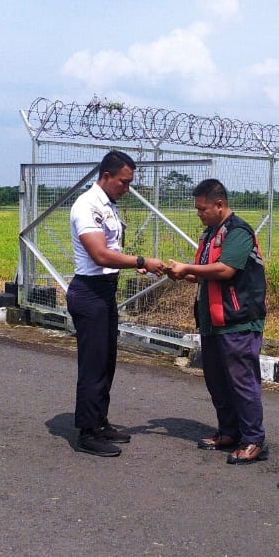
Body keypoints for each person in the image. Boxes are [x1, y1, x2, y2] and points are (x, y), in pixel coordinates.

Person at [67, 150, 165, 457]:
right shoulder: (86, 206)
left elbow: (111, 251)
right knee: (93, 365)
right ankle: (86, 432)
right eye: (123, 182)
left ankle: (99, 422)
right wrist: (140, 260)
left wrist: (129, 263)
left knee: (107, 360)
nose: (127, 188)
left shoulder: (107, 205)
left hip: (105, 290)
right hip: (89, 292)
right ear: (106, 176)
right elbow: (99, 255)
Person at [166, 179, 268, 465]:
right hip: (212, 321)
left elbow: (225, 269)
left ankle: (252, 440)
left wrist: (188, 267)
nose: (199, 213)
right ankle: (229, 432)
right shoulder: (211, 234)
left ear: (219, 204)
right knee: (217, 380)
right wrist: (177, 271)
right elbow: (202, 274)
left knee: (242, 382)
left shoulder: (238, 232)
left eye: (202, 209)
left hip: (237, 321)